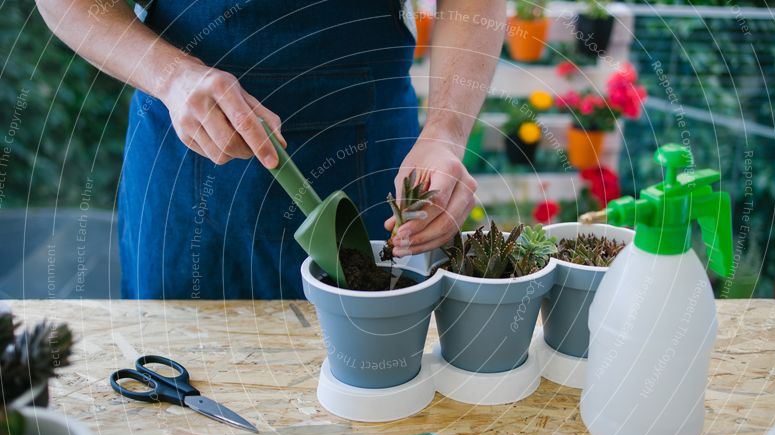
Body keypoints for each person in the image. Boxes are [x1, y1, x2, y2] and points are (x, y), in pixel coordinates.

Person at [37, 0, 504, 299]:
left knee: (371, 385)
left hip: (367, 156)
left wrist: (446, 131)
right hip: (184, 166)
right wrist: (171, 76)